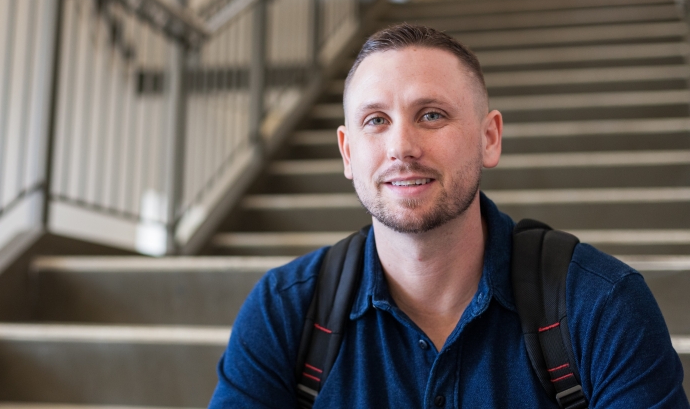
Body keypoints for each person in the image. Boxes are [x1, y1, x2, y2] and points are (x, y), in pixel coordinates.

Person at [208, 24, 688, 408]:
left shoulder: (602, 306)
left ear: (489, 138)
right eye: (376, 120)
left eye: (432, 114)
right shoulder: (285, 311)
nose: (402, 148)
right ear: (347, 151)